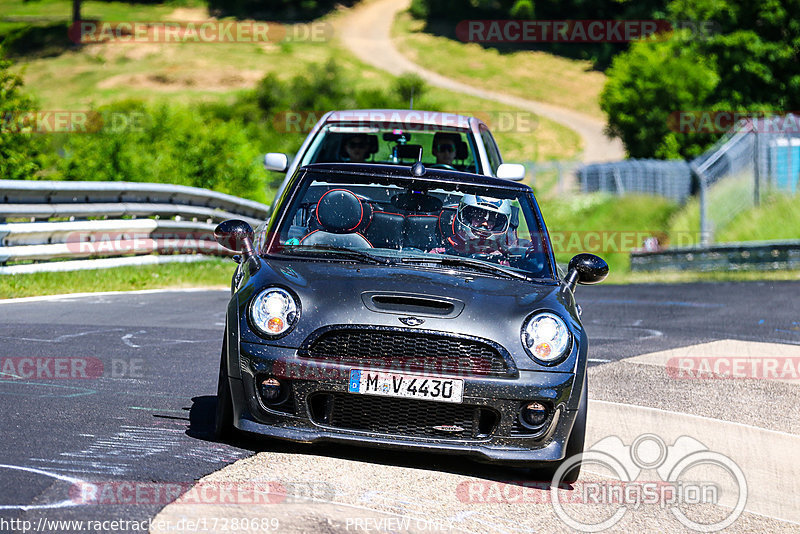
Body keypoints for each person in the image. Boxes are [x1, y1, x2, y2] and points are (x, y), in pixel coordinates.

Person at [430, 194, 514, 263]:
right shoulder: (444, 251)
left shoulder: (500, 257)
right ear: (467, 218)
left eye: (491, 221)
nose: (485, 224)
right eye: (479, 218)